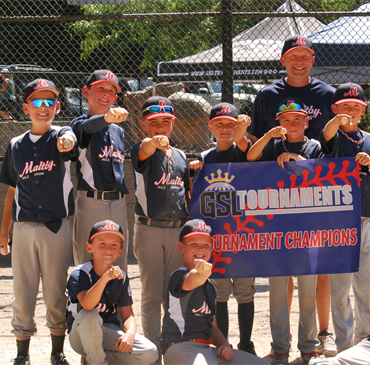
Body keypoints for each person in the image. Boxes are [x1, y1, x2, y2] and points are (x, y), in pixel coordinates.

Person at [0, 78, 79, 365]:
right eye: (37, 102)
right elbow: (10, 191)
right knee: (23, 291)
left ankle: (57, 352)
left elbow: (70, 142)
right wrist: (3, 233)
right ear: (26, 107)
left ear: (57, 106)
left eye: (49, 102)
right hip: (23, 228)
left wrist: (67, 141)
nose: (43, 108)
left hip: (56, 226)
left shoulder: (62, 135)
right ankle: (22, 354)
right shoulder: (15, 145)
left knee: (56, 290)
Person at [247, 96, 323, 365]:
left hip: (306, 229)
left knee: (307, 292)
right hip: (277, 230)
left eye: (297, 119)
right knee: (278, 292)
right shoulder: (273, 144)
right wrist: (268, 135)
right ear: (279, 123)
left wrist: (297, 159)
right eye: (285, 120)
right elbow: (250, 156)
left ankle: (309, 347)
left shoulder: (313, 146)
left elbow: (321, 177)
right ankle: (280, 346)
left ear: (306, 121)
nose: (292, 124)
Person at [319, 83, 370, 353]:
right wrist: (337, 121)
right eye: (344, 106)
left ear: (363, 110)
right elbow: (326, 134)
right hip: (340, 222)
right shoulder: (334, 137)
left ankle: (367, 338)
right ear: (335, 109)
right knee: (340, 287)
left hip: (366, 218)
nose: (351, 111)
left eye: (356, 107)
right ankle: (345, 344)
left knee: (367, 284)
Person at [187, 102, 257, 356]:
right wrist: (194, 171)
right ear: (210, 127)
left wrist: (243, 129)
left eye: (231, 124)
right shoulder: (205, 158)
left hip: (243, 234)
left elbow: (242, 142)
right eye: (220, 124)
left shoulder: (243, 151)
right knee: (220, 293)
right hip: (216, 237)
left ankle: (246, 344)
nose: (226, 128)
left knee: (245, 291)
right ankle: (224, 342)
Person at [129, 95, 193, 359]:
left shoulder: (180, 156)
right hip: (149, 229)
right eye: (154, 122)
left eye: (166, 121)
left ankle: (173, 344)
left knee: (175, 291)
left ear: (173, 123)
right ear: (144, 124)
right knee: (153, 292)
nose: (160, 127)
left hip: (177, 229)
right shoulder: (141, 149)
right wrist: (152, 142)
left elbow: (187, 192)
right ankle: (153, 346)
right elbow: (144, 150)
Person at [160, 219, 271, 365]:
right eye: (194, 244)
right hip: (179, 348)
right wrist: (201, 275)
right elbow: (192, 281)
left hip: (206, 350)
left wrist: (224, 345)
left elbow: (213, 326)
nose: (200, 249)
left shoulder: (210, 286)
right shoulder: (178, 275)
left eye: (206, 245)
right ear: (181, 248)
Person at [66, 220, 159, 365]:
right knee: (89, 315)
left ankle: (94, 358)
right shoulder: (80, 273)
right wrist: (106, 278)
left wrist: (130, 334)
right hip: (81, 335)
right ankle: (97, 362)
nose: (108, 249)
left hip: (108, 331)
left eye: (114, 245)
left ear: (121, 250)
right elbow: (88, 305)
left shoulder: (121, 276)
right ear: (89, 247)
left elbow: (128, 315)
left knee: (149, 353)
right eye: (102, 244)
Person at [70, 70, 131, 272]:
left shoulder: (118, 130)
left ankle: (114, 303)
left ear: (115, 97)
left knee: (118, 263)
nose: (106, 94)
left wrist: (110, 120)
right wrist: (106, 118)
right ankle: (87, 304)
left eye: (111, 91)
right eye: (100, 89)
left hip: (119, 203)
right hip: (91, 201)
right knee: (88, 262)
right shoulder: (79, 124)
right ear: (86, 92)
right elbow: (88, 128)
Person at [247, 35, 335, 144]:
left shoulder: (329, 94)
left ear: (312, 61)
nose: (299, 61)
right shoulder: (267, 95)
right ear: (283, 61)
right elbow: (254, 138)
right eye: (293, 56)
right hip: (277, 159)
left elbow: (342, 138)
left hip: (318, 160)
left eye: (305, 56)